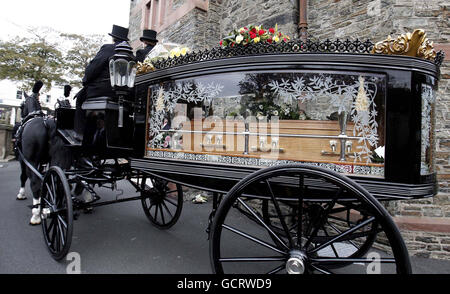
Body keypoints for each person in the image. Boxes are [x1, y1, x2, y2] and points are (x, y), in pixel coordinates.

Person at [74, 24, 130, 138]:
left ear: (113, 38)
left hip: (103, 89)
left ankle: (79, 133)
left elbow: (92, 69)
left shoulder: (108, 48)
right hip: (124, 93)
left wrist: (85, 82)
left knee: (79, 99)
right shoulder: (130, 54)